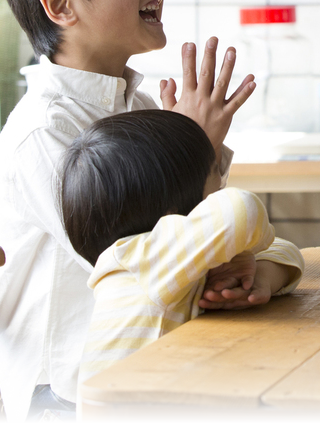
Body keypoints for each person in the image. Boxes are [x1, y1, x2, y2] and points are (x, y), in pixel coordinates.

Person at [0, 0, 260, 423]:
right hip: (65, 400)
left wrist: (235, 262)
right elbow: (139, 258)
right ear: (61, 5)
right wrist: (195, 147)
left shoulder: (137, 105)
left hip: (143, 368)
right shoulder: (46, 131)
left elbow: (196, 246)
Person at [59, 109, 303, 385]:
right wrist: (245, 250)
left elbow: (287, 249)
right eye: (214, 174)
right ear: (171, 217)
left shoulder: (166, 259)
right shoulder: (140, 259)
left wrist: (259, 276)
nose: (221, 187)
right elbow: (242, 210)